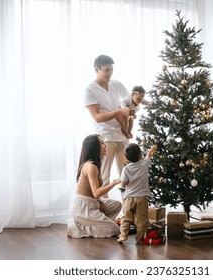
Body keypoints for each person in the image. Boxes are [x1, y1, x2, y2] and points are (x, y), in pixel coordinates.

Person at [84, 55, 131, 197]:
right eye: (106, 70)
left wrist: (124, 113)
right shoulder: (90, 90)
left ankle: (128, 213)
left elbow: (129, 101)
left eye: (111, 70)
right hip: (105, 138)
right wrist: (118, 111)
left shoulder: (116, 84)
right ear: (96, 69)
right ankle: (105, 215)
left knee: (127, 176)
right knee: (104, 178)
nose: (109, 73)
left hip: (121, 137)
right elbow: (98, 117)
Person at [67, 134, 122, 238]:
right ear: (94, 147)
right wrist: (114, 183)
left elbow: (94, 194)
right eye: (102, 143)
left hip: (91, 202)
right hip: (83, 206)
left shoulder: (94, 165)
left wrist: (100, 201)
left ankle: (93, 223)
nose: (105, 146)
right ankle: (76, 227)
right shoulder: (91, 167)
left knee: (117, 205)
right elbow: (96, 193)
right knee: (115, 230)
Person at [117, 143, 158, 244]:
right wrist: (152, 149)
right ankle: (139, 239)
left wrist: (123, 193)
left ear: (126, 157)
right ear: (140, 154)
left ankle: (123, 236)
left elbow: (122, 185)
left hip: (129, 198)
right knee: (142, 221)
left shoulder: (126, 169)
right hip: (142, 198)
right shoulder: (144, 163)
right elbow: (149, 155)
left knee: (126, 218)